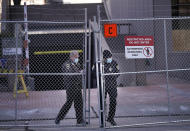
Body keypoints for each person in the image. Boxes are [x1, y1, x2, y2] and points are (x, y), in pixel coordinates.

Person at [55, 50, 86, 125]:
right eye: (76, 56)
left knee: (79, 103)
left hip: (77, 86)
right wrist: (79, 73)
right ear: (72, 56)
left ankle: (79, 120)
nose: (78, 57)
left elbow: (79, 71)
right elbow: (69, 74)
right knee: (69, 103)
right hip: (71, 86)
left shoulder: (77, 64)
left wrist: (81, 72)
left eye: (78, 56)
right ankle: (59, 118)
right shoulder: (67, 64)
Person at [103, 50, 120, 126]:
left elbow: (118, 72)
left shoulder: (114, 62)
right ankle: (102, 119)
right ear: (104, 58)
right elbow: (94, 74)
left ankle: (111, 118)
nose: (110, 58)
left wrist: (110, 75)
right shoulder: (100, 64)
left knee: (113, 101)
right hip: (103, 85)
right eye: (108, 57)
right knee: (102, 102)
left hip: (112, 85)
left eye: (110, 56)